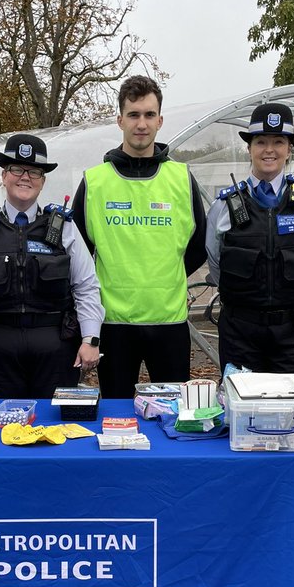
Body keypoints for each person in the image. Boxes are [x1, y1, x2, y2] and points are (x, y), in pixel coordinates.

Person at [72, 75, 206, 398]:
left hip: (169, 325)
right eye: (133, 115)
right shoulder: (94, 182)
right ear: (120, 120)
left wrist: (164, 280)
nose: (141, 123)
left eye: (149, 115)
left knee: (173, 418)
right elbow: (78, 259)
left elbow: (198, 247)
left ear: (160, 120)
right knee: (117, 420)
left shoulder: (181, 178)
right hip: (114, 326)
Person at [0, 133, 103, 398]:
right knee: (3, 427)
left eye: (34, 172)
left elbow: (86, 286)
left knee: (57, 429)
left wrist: (90, 339)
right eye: (17, 169)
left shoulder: (63, 227)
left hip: (55, 345)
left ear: (43, 182)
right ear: (3, 175)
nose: (25, 177)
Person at [205, 102, 294, 382]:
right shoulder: (225, 205)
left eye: (278, 141)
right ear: (249, 148)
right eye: (261, 141)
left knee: (289, 410)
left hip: (293, 330)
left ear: (290, 150)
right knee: (240, 409)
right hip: (241, 329)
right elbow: (216, 262)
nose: (269, 149)